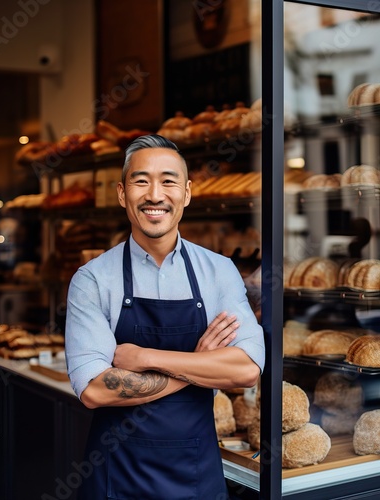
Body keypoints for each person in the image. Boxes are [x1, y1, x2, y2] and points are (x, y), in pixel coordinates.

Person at [65, 134, 265, 500]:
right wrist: (200, 366)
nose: (155, 195)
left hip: (195, 475)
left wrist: (144, 358)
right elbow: (94, 389)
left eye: (168, 181)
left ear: (186, 193)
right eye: (141, 181)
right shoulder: (92, 279)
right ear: (122, 193)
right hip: (116, 477)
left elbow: (247, 369)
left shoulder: (218, 271)